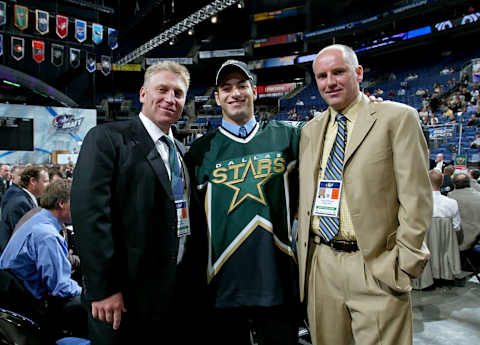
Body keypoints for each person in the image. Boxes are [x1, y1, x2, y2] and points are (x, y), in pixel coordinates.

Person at [296, 44, 432, 345]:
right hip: (322, 263)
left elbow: (417, 198)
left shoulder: (397, 118)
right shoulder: (310, 131)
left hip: (375, 263)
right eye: (321, 76)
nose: (329, 82)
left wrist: (403, 263)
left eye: (338, 72)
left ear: (358, 73)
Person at [71, 61, 206, 345]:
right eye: (163, 89)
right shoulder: (107, 139)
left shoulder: (182, 153)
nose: (170, 99)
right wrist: (103, 288)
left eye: (178, 93)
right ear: (143, 93)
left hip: (173, 295)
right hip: (122, 298)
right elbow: (90, 215)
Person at [185, 59, 301, 345]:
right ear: (217, 97)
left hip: (279, 280)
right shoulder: (200, 151)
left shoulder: (288, 136)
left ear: (254, 91)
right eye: (226, 88)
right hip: (223, 286)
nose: (235, 93)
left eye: (242, 86)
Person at [0, 179, 86, 340]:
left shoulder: (37, 219)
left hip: (16, 297)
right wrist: (91, 294)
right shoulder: (47, 236)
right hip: (33, 305)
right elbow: (60, 288)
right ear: (61, 203)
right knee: (95, 307)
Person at [0, 165, 49, 252]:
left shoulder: (27, 199)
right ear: (33, 181)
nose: (48, 185)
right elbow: (22, 240)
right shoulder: (21, 203)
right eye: (45, 181)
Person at [448, 173, 480, 252]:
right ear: (469, 183)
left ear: (454, 184)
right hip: (476, 240)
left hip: (457, 242)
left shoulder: (451, 197)